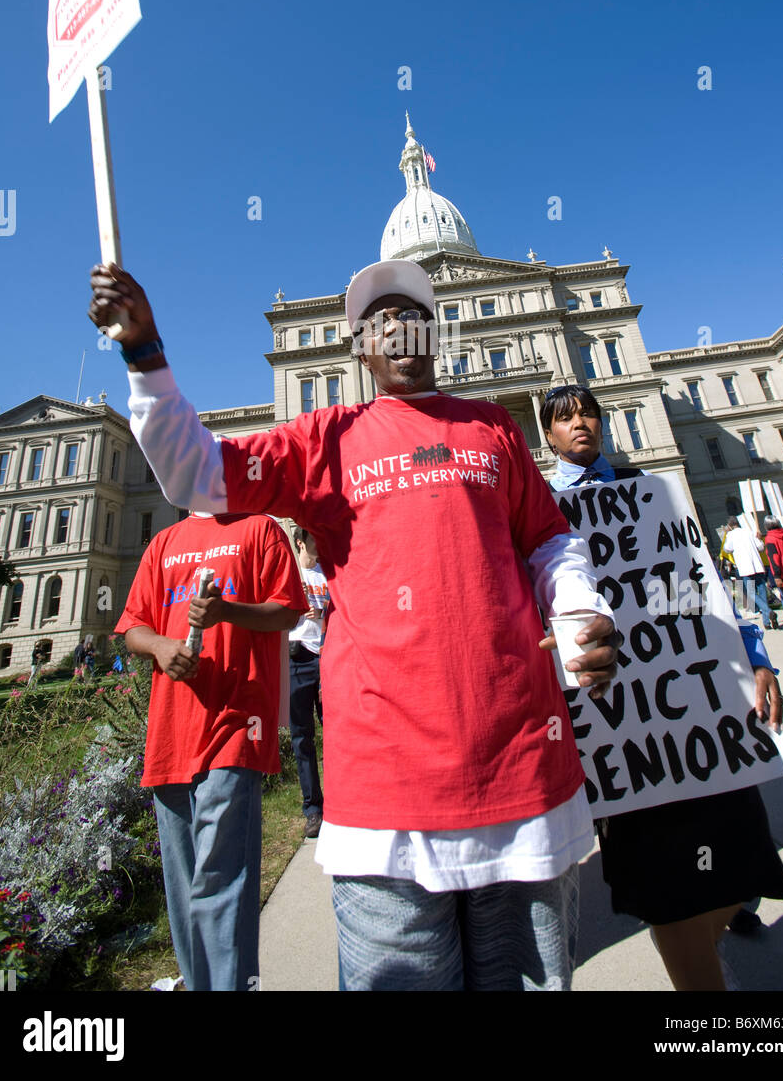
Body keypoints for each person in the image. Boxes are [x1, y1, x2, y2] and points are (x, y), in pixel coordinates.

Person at [89, 257, 621, 993]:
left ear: (437, 334)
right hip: (385, 801)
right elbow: (193, 473)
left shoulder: (495, 426)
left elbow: (549, 540)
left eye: (413, 314)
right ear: (360, 349)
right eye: (380, 320)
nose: (398, 328)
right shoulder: (324, 439)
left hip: (520, 778)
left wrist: (580, 609)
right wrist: (143, 350)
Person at [541, 384, 783, 991]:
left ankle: (708, 961)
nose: (581, 424)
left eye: (589, 413)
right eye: (563, 417)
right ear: (546, 434)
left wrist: (756, 656)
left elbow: (699, 579)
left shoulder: (652, 491)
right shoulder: (543, 506)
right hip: (620, 724)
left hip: (698, 710)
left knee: (738, 872)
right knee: (669, 891)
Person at [113, 509, 305, 991]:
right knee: (184, 887)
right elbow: (134, 626)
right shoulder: (164, 542)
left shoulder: (260, 529)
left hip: (237, 722)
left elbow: (287, 608)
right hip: (171, 731)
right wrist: (159, 646)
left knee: (220, 876)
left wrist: (226, 612)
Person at [289, 528, 328, 839]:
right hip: (297, 657)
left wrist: (323, 611)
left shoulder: (328, 572)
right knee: (302, 737)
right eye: (314, 539)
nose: (320, 544)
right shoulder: (289, 572)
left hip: (327, 653)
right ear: (301, 541)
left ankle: (342, 799)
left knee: (337, 731)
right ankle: (313, 809)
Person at [722, 517, 777, 630]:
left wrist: (727, 535)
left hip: (745, 567)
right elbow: (761, 547)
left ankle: (768, 612)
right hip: (757, 565)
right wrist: (759, 539)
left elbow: (727, 549)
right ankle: (767, 621)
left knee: (751, 593)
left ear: (730, 525)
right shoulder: (749, 531)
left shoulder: (731, 535)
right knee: (762, 591)